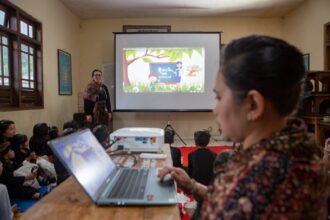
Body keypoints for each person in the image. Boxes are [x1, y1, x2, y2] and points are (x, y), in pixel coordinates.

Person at [159, 35, 327, 219]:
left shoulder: (263, 183)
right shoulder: (296, 150)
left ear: (253, 105)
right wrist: (192, 186)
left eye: (219, 97)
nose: (215, 109)